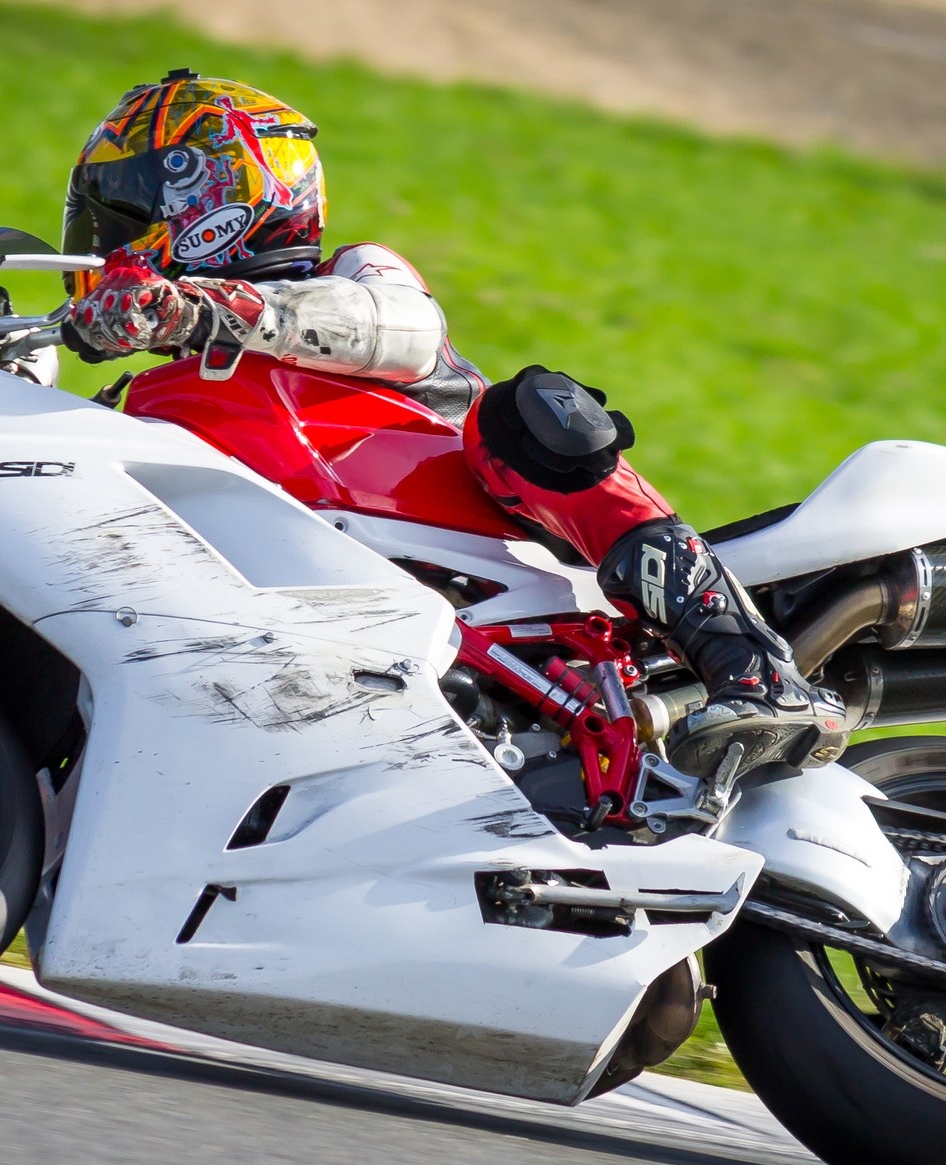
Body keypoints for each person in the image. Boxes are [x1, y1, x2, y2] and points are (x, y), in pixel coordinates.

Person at [60, 70, 836, 772]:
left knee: (529, 415)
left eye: (126, 205)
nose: (107, 237)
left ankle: (755, 671)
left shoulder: (356, 274)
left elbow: (405, 329)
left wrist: (200, 307)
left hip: (502, 539)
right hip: (302, 619)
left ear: (216, 195)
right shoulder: (157, 392)